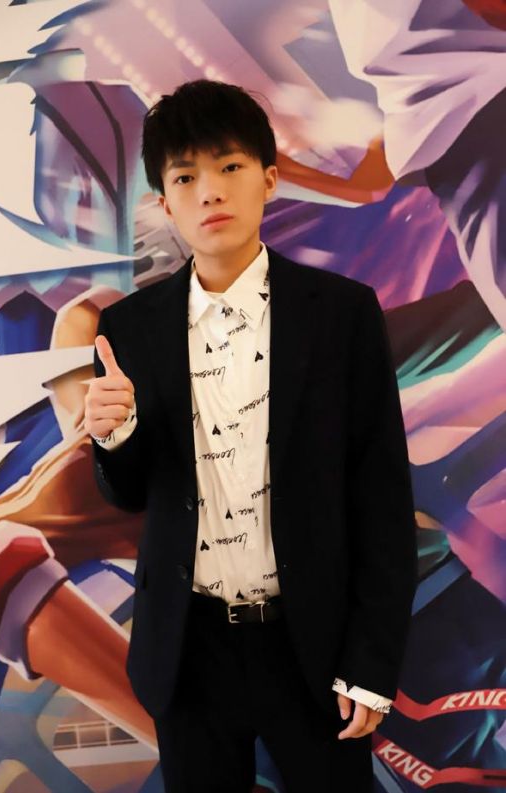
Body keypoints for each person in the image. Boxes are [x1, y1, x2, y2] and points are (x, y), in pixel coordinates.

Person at [85, 79, 418, 792]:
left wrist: (371, 661)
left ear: (268, 179)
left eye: (229, 166)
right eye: (185, 177)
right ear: (165, 203)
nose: (210, 191)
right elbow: (131, 494)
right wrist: (113, 436)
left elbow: (383, 501)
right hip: (189, 648)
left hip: (314, 642)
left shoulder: (343, 315)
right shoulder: (129, 329)